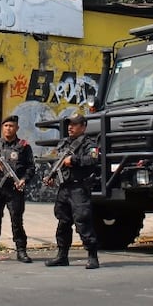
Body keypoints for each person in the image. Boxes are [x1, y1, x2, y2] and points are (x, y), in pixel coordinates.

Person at [43, 112, 101, 269]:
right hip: (64, 188)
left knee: (83, 221)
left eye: (74, 124)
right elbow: (58, 162)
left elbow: (93, 159)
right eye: (69, 124)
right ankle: (62, 255)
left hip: (79, 188)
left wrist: (74, 160)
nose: (70, 127)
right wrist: (51, 176)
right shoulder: (64, 143)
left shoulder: (89, 143)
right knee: (63, 222)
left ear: (83, 127)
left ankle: (92, 256)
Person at [0, 115, 36, 263]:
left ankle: (21, 251)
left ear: (17, 128)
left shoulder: (23, 146)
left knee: (17, 221)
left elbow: (30, 168)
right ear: (2, 128)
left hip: (14, 189)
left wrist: (23, 180)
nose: (8, 128)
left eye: (11, 126)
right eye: (6, 126)